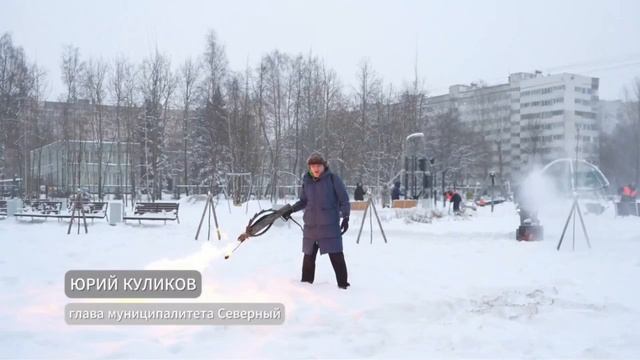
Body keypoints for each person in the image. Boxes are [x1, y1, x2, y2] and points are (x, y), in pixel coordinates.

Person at [283, 153, 351, 289]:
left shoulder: (333, 179)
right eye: (313, 166)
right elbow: (303, 201)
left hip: (330, 226)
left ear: (324, 166)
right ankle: (306, 287)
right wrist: (291, 210)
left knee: (337, 257)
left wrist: (346, 217)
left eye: (318, 166)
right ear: (309, 168)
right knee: (308, 258)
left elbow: (344, 199)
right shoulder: (306, 181)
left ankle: (343, 286)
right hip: (311, 227)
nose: (316, 169)